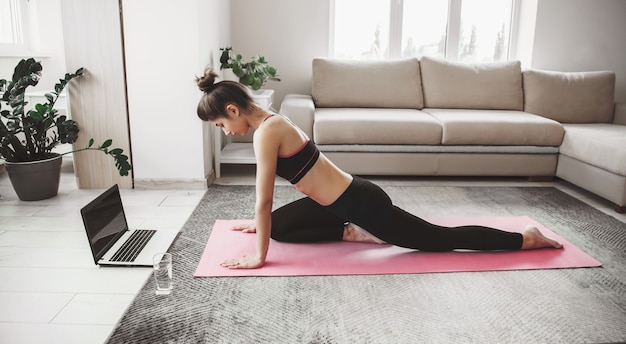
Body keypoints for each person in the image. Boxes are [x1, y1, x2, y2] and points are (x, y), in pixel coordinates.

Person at [195, 68, 563, 269]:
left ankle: (524, 238)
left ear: (231, 111)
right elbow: (271, 208)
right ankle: (351, 232)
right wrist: (263, 225)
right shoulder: (272, 123)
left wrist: (258, 256)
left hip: (360, 202)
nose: (224, 131)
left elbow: (263, 200)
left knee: (439, 240)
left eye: (219, 125)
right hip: (335, 204)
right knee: (281, 227)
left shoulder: (266, 133)